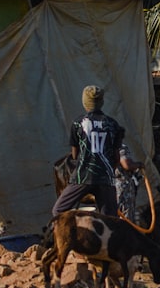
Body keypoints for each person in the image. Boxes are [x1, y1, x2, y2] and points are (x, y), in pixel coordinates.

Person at [51, 85, 132, 218]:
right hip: (105, 178)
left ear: (84, 103)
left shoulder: (78, 123)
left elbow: (75, 155)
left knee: (58, 211)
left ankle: (71, 236)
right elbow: (117, 158)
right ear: (102, 103)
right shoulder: (113, 124)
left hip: (83, 176)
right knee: (110, 219)